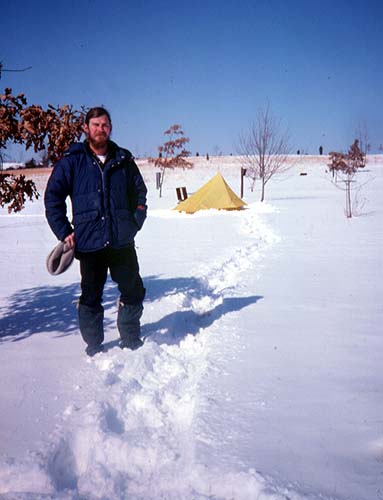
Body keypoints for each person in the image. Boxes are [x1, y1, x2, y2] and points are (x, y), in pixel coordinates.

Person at [44, 107, 147, 356]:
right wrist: (64, 231)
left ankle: (131, 338)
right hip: (89, 242)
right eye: (96, 125)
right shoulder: (73, 161)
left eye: (105, 125)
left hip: (122, 240)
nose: (101, 129)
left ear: (110, 128)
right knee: (91, 295)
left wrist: (135, 220)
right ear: (86, 128)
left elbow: (139, 193)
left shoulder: (123, 159)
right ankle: (94, 344)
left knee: (133, 290)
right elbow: (53, 198)